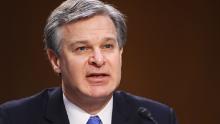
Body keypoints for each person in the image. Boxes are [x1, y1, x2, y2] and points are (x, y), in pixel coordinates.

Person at [0, 0, 178, 124]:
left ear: (120, 53)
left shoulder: (156, 118)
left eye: (108, 46)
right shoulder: (13, 118)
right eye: (82, 48)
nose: (98, 60)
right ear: (56, 61)